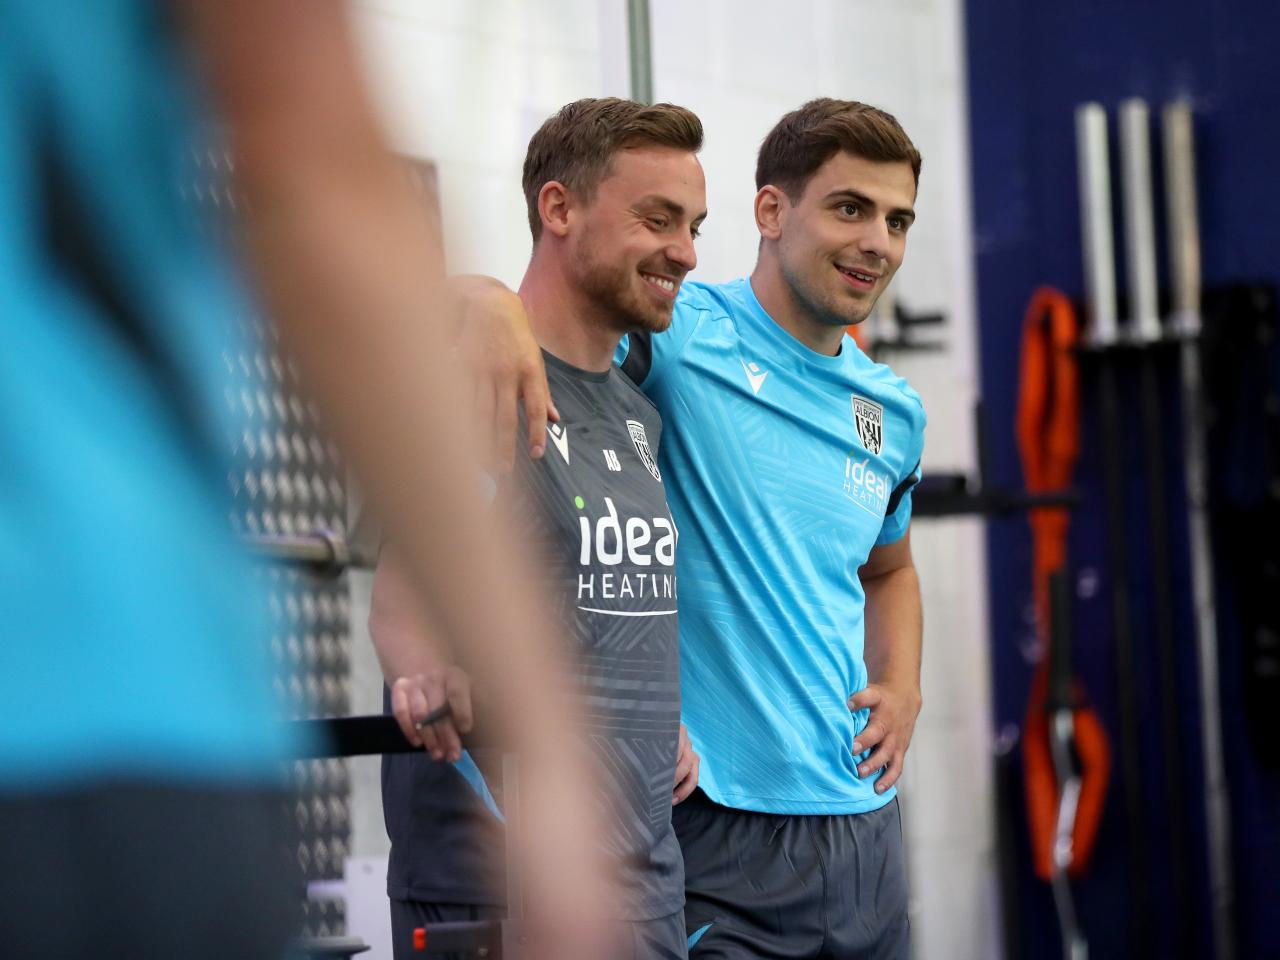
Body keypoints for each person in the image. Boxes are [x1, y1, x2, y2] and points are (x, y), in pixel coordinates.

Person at [0, 3, 607, 958]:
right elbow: (310, 159)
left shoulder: (641, 402)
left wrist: (478, 298)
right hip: (94, 693)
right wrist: (553, 746)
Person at [470, 98, 927, 958]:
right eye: (850, 208)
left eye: (897, 220)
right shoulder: (677, 337)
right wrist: (485, 297)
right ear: (771, 211)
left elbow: (890, 571)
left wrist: (901, 686)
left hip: (863, 825)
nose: (878, 241)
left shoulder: (893, 412)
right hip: (716, 821)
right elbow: (554, 315)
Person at [374, 97, 707, 960]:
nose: (686, 250)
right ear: (558, 208)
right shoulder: (478, 379)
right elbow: (402, 599)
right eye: (657, 218)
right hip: (498, 880)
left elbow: (599, 597)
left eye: (694, 225)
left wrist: (654, 715)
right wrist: (422, 670)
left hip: (639, 879)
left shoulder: (639, 410)